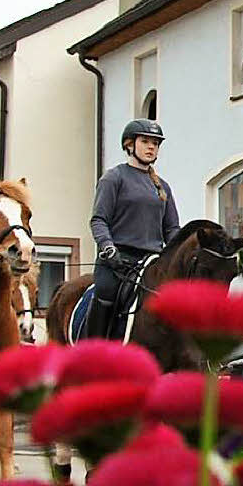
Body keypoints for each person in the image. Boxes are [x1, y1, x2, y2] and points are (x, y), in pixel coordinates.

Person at [88, 119, 180, 339]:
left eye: (156, 143)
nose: (151, 147)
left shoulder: (163, 186)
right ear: (130, 145)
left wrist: (177, 255)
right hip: (117, 261)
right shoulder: (114, 177)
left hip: (151, 262)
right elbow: (98, 219)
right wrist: (108, 247)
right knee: (106, 293)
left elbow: (172, 229)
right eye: (146, 141)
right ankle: (93, 350)